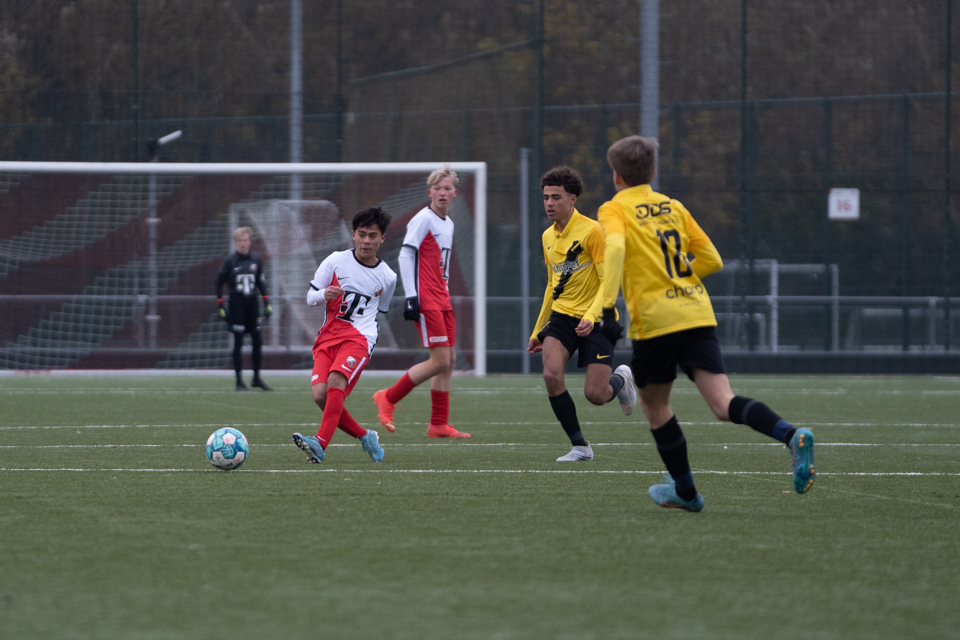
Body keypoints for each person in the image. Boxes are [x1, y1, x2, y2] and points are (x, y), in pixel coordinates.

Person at [596, 135, 815, 512]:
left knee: (654, 408)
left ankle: (685, 491)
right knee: (722, 402)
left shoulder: (614, 209)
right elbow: (711, 259)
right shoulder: (673, 206)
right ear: (652, 171)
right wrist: (676, 279)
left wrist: (605, 307)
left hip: (657, 321)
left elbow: (615, 249)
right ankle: (791, 434)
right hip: (696, 312)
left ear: (616, 176)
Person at [527, 166, 637, 461]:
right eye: (546, 197)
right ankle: (580, 446)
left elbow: (607, 281)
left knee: (596, 395)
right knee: (551, 375)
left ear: (573, 199)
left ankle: (621, 380)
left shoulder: (593, 231)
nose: (549, 203)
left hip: (599, 319)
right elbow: (553, 287)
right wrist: (538, 331)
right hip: (563, 318)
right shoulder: (547, 237)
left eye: (556, 197)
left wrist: (591, 315)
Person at [292, 207, 397, 465]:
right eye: (362, 234)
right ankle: (365, 437)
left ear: (383, 238)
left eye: (373, 236)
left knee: (336, 381)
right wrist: (323, 294)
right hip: (328, 337)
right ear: (353, 234)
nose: (366, 241)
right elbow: (310, 297)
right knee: (320, 395)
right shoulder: (336, 261)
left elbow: (378, 311)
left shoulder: (388, 276)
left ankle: (319, 444)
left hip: (359, 339)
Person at [373, 165, 469, 438]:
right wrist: (412, 297)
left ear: (455, 193)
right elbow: (405, 255)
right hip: (426, 299)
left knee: (448, 360)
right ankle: (388, 397)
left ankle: (438, 424)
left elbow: (441, 264)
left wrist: (445, 288)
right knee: (439, 360)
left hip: (442, 298)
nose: (442, 192)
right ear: (430, 192)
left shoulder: (448, 223)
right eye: (437, 188)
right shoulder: (423, 218)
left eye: (447, 188)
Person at [215, 226, 272, 391]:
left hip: (252, 307)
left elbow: (261, 283)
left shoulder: (256, 260)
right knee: (238, 343)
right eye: (240, 240)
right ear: (235, 242)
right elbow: (219, 283)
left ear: (250, 241)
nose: (243, 243)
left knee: (257, 341)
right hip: (236, 307)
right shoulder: (230, 261)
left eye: (245, 240)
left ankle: (256, 378)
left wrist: (267, 303)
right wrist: (220, 305)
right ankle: (239, 381)